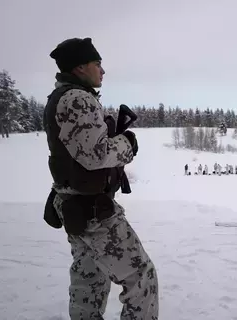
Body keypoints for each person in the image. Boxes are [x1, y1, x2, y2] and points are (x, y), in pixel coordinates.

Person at [43, 37, 159, 319]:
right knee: (141, 277)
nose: (102, 70)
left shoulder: (62, 96)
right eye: (97, 63)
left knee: (89, 277)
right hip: (92, 210)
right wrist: (126, 144)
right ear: (81, 67)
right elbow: (95, 156)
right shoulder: (78, 99)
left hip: (75, 204)